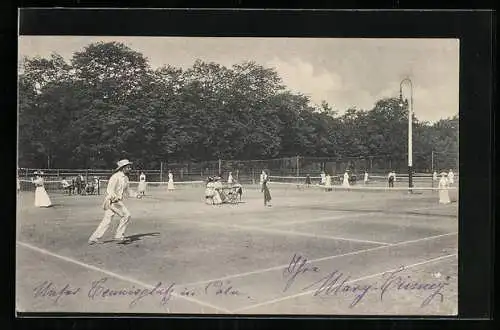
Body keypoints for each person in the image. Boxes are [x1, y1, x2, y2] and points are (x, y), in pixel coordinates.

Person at [88, 159, 135, 245]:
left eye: (130, 167)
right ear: (123, 168)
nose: (130, 168)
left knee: (107, 220)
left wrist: (136, 195)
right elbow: (110, 190)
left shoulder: (126, 178)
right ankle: (119, 236)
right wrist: (114, 198)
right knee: (126, 215)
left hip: (115, 201)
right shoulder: (115, 177)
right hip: (112, 201)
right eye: (128, 167)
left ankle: (93, 238)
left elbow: (128, 190)